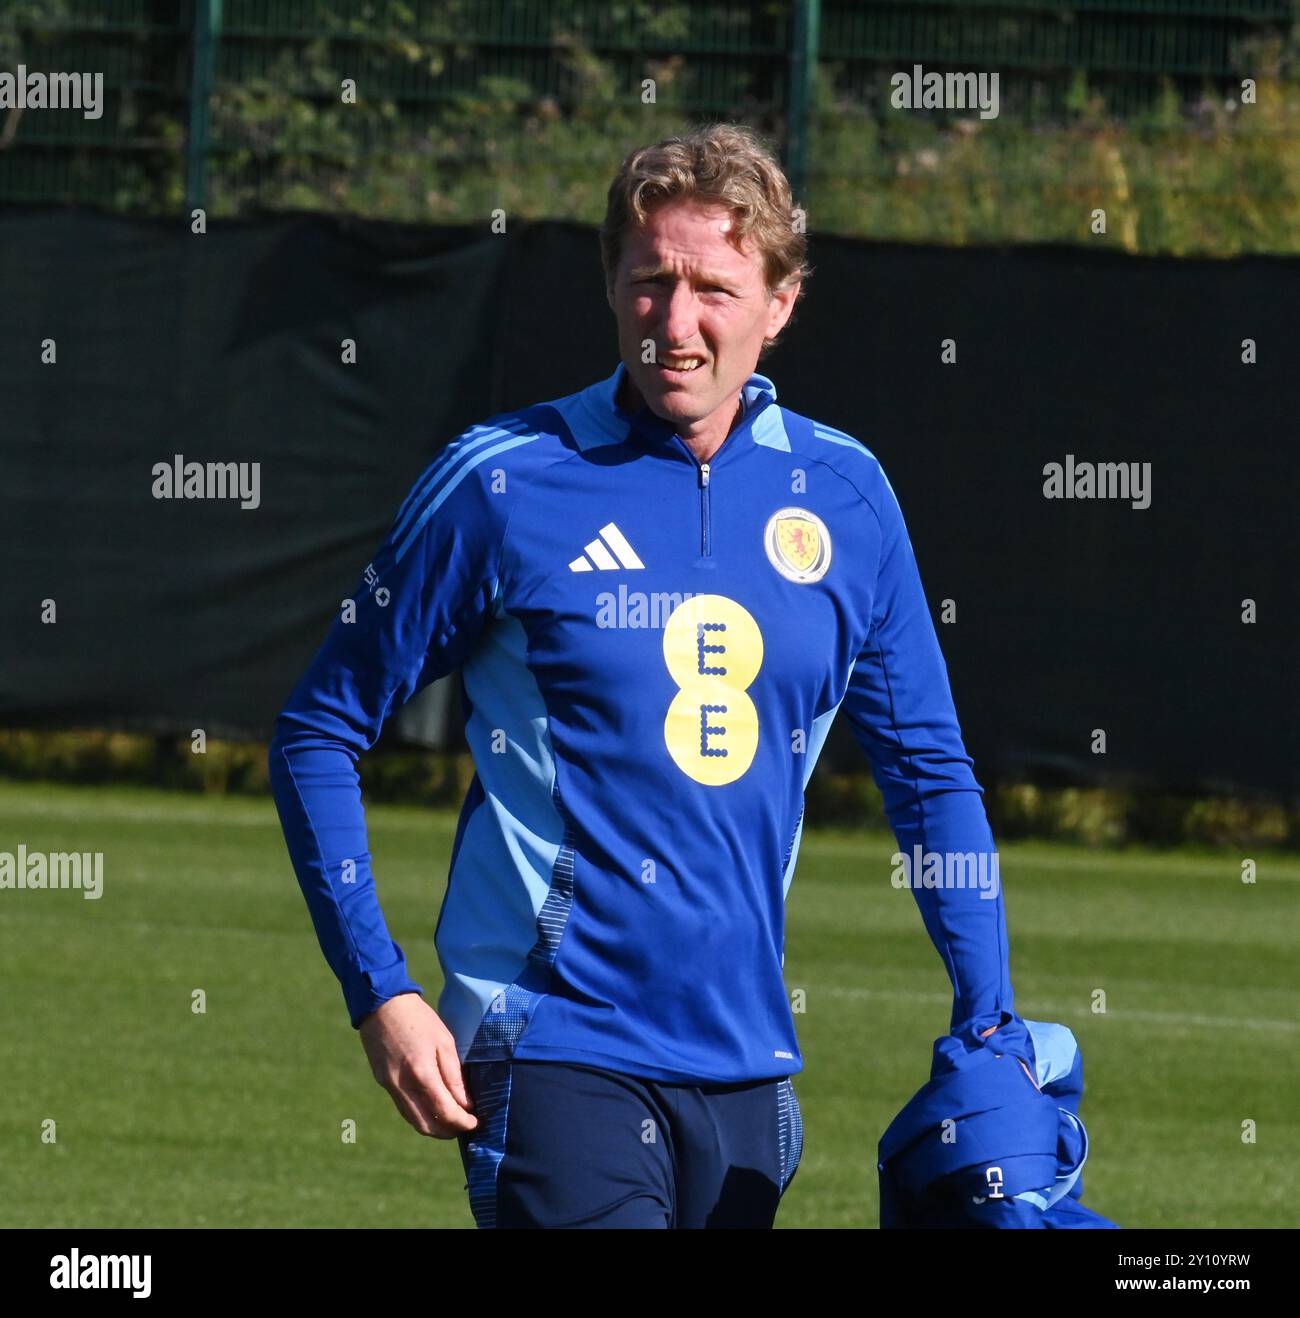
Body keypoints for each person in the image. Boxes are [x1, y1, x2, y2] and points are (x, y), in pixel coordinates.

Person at [268, 122, 1035, 1230]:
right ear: (610, 285)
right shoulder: (502, 483)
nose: (676, 325)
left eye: (714, 288)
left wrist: (989, 1015)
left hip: (749, 1073)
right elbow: (316, 729)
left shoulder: (849, 498)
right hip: (552, 1047)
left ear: (780, 302)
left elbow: (927, 773)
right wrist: (379, 989)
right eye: (649, 283)